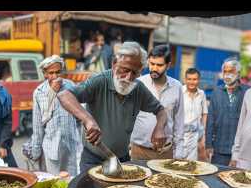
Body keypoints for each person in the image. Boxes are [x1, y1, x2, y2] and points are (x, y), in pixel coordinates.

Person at [56, 41, 168, 171]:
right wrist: (88, 120)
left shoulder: (138, 89)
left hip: (122, 159)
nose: (128, 78)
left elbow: (161, 110)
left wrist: (160, 128)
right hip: (93, 159)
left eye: (135, 73)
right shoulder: (100, 81)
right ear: (114, 64)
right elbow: (64, 95)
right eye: (125, 70)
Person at [28, 55, 82, 176]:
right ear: (45, 74)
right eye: (51, 73)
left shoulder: (71, 87)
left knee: (71, 180)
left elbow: (79, 116)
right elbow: (37, 125)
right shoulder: (39, 92)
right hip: (51, 145)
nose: (55, 76)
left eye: (58, 72)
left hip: (71, 144)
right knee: (54, 181)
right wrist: (36, 151)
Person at [130, 44, 185, 160]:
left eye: (159, 65)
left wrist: (179, 153)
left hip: (165, 153)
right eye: (152, 64)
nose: (154, 68)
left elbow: (179, 122)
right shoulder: (138, 84)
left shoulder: (177, 87)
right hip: (139, 151)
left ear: (168, 65)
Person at [205, 59, 248, 166]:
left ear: (238, 74)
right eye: (225, 72)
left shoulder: (248, 92)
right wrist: (208, 144)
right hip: (219, 149)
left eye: (231, 71)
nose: (227, 75)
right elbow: (210, 120)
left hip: (241, 151)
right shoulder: (216, 92)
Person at [181, 68, 208, 161]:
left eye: (194, 79)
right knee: (176, 164)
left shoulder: (202, 94)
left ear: (199, 80)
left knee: (191, 165)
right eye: (189, 79)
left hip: (194, 136)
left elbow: (204, 114)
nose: (192, 82)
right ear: (185, 79)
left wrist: (202, 134)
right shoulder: (179, 92)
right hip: (180, 136)